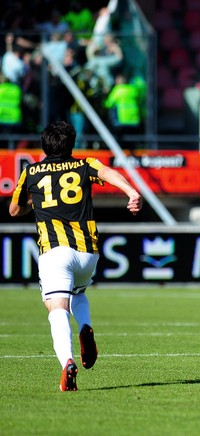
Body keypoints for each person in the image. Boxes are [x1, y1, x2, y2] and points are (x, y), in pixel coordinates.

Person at [9, 121, 142, 391]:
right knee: (78, 293)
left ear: (44, 145)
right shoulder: (85, 164)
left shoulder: (31, 172)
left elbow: (14, 210)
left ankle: (67, 362)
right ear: (72, 144)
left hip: (55, 251)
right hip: (87, 253)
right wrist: (132, 192)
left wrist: (37, 200)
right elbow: (108, 173)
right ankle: (85, 325)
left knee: (56, 308)